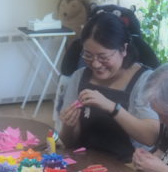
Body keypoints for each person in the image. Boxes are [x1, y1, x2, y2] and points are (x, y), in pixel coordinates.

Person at [58, 11, 158, 161]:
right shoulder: (79, 77)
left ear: (123, 49)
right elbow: (68, 142)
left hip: (129, 167)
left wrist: (113, 108)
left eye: (103, 57)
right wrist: (68, 125)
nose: (96, 64)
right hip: (85, 162)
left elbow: (151, 137)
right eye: (88, 55)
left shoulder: (145, 80)